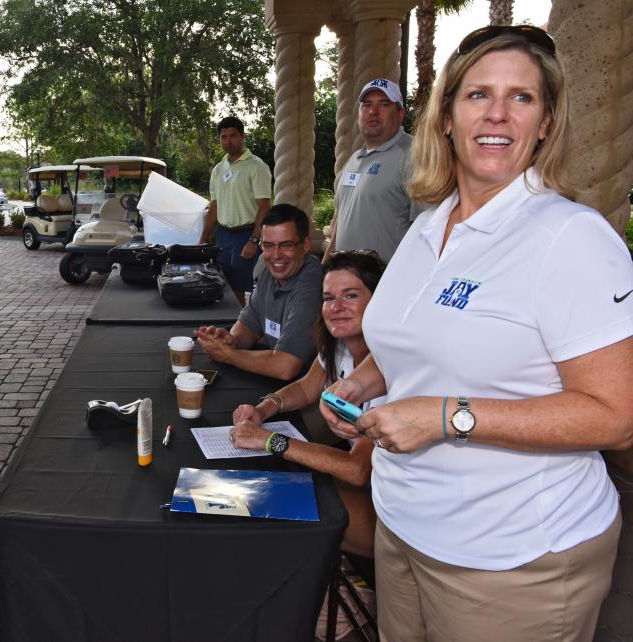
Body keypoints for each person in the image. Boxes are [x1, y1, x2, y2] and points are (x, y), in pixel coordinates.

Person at [322, 26, 633, 641]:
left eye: (522, 97)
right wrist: (361, 381)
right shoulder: (428, 225)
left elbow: (615, 414)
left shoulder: (571, 237)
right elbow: (414, 339)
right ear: (446, 117)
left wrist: (446, 416)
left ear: (546, 122)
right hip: (403, 527)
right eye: (477, 95)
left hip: (513, 558)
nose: (497, 114)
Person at [229, 249, 387, 558]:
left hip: (388, 515)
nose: (337, 308)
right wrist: (264, 409)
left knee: (265, 495)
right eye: (329, 298)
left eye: (351, 296)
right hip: (366, 490)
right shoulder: (341, 345)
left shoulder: (388, 369)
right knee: (270, 482)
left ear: (379, 301)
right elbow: (306, 387)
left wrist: (270, 440)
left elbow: (357, 470)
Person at [196, 204, 322, 381]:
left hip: (309, 399)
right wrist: (231, 341)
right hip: (272, 381)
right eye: (268, 245)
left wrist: (229, 355)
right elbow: (250, 326)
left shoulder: (312, 286)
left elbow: (286, 366)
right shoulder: (271, 271)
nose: (276, 255)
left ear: (306, 245)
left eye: (286, 245)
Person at [325, 78, 419, 264]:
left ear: (400, 114)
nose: (373, 112)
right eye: (366, 105)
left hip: (388, 283)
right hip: (346, 284)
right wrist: (325, 268)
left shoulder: (416, 155)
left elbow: (431, 228)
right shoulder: (354, 159)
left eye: (384, 104)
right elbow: (340, 220)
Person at [199, 116, 272, 306]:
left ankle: (241, 327)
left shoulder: (256, 166)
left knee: (240, 286)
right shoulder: (218, 169)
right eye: (224, 137)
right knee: (224, 281)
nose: (228, 141)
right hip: (223, 234)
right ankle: (232, 326)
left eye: (233, 136)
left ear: (242, 137)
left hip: (245, 234)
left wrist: (254, 240)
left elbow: (264, 205)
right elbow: (214, 206)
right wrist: (203, 238)